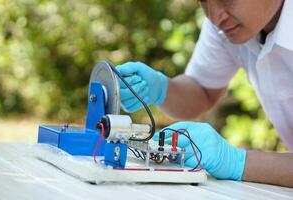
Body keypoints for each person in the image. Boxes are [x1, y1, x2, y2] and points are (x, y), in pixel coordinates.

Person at [116, 0, 293, 187]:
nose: (215, 17)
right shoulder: (228, 24)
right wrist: (161, 88)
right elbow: (202, 90)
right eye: (203, 1)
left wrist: (236, 162)